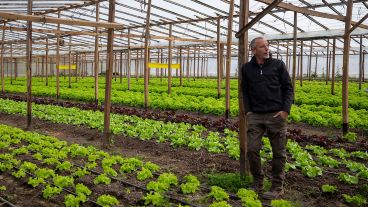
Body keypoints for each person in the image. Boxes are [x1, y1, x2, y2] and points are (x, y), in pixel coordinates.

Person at [241, 37, 293, 199]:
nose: (266, 48)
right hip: (255, 115)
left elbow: (288, 88)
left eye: (267, 46)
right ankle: (258, 182)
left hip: (276, 115)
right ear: (254, 50)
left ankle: (277, 186)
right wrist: (248, 111)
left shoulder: (278, 65)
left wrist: (285, 110)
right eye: (262, 46)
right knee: (252, 149)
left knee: (279, 152)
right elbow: (245, 91)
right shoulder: (247, 68)